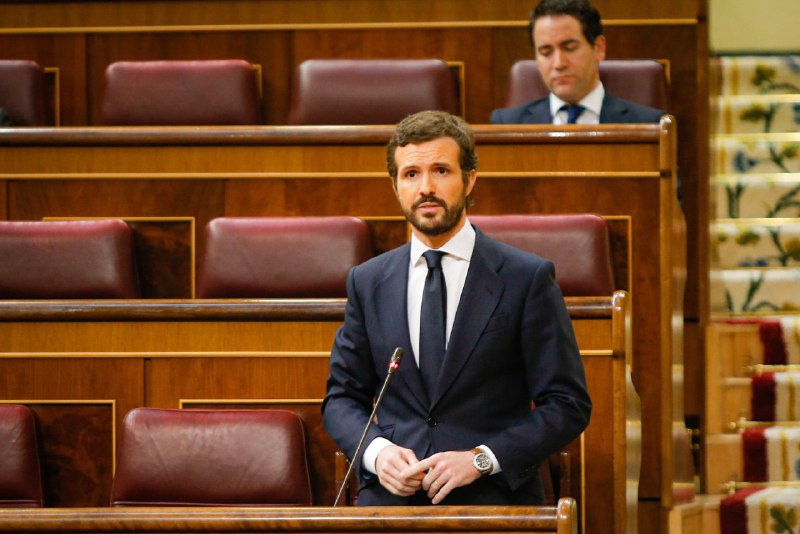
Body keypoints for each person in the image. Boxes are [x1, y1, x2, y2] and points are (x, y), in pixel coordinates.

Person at [322, 110, 591, 506]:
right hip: (393, 500)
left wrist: (483, 459)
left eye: (441, 171)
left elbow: (567, 405)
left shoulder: (525, 278)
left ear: (470, 179)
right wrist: (378, 454)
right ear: (395, 185)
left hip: (492, 499)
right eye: (411, 174)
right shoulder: (368, 281)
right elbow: (341, 398)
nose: (426, 187)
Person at [491, 0, 664, 124]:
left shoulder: (649, 124)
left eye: (570, 48)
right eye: (546, 52)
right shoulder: (507, 124)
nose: (558, 63)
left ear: (598, 48)